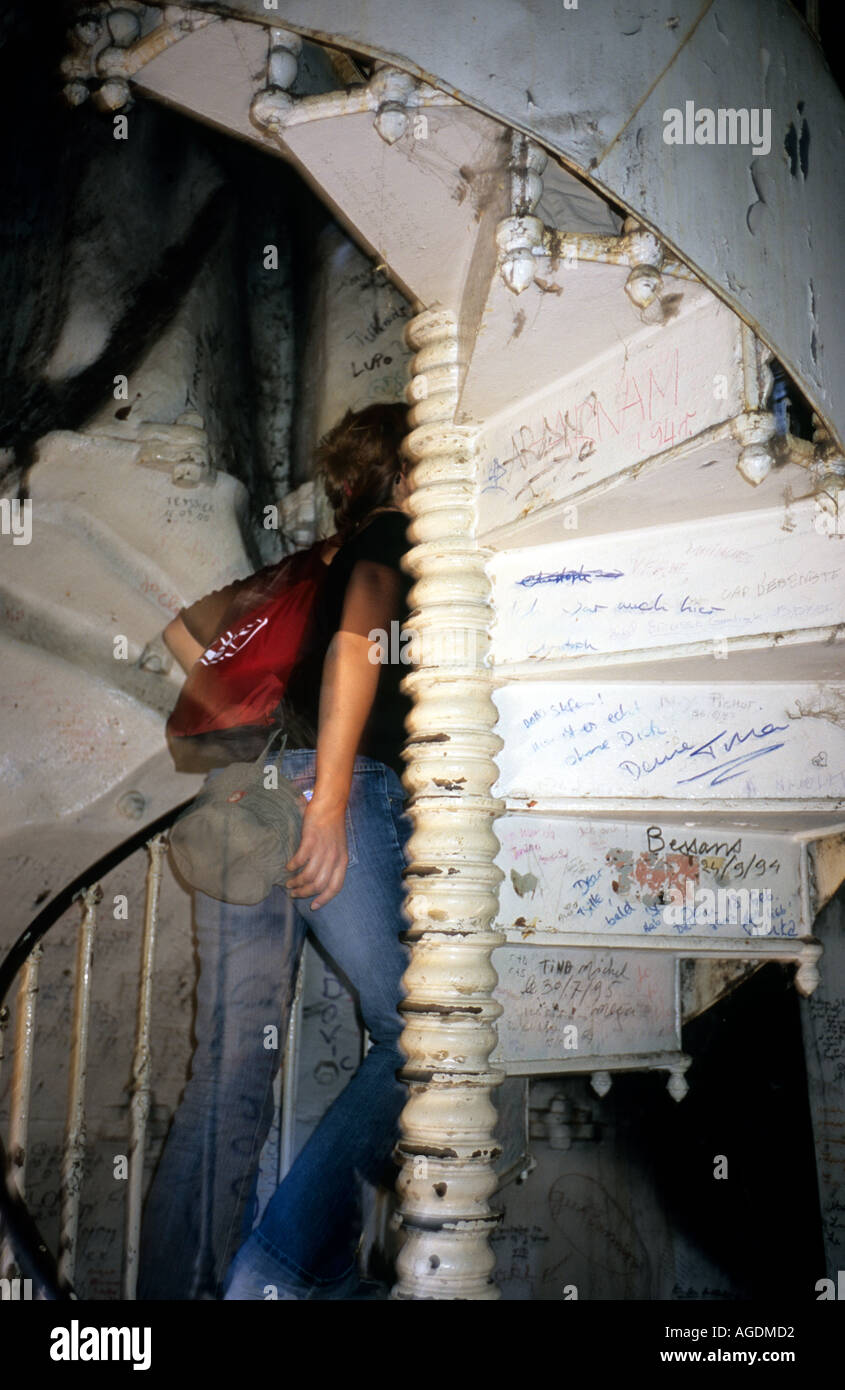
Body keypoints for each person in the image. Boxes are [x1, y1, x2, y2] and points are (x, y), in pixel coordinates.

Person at [138, 401, 414, 1301]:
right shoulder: (395, 541)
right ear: (405, 474)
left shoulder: (300, 568)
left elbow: (183, 630)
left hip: (243, 806)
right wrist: (329, 797)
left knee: (226, 1077)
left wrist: (256, 731)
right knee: (419, 1036)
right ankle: (281, 1271)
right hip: (321, 794)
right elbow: (355, 645)